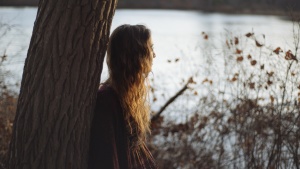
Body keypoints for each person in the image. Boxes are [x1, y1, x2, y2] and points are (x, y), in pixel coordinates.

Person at [88, 24, 157, 169]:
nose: (154, 55)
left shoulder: (127, 97)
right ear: (137, 55)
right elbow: (106, 160)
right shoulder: (106, 101)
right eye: (151, 48)